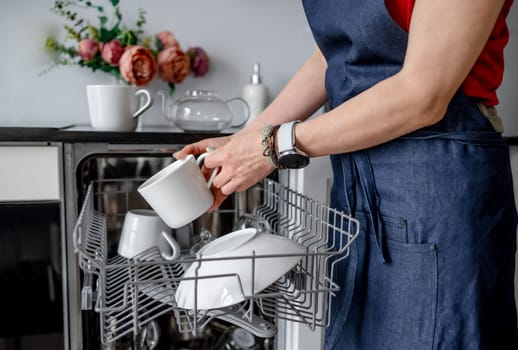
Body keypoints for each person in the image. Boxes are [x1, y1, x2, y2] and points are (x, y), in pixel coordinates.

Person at [174, 0, 518, 348]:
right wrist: (243, 143)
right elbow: (330, 57)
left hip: (434, 189)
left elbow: (422, 94)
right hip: (358, 191)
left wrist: (275, 146)